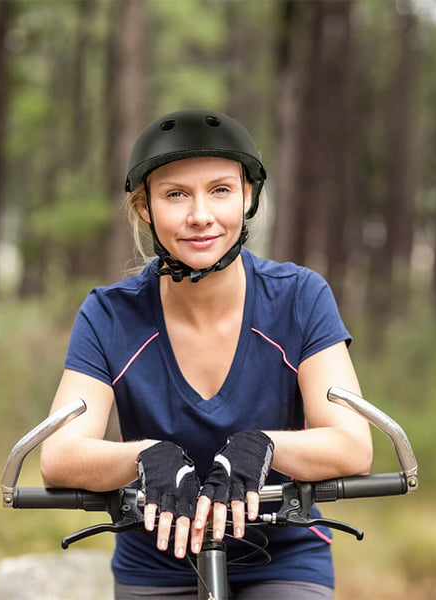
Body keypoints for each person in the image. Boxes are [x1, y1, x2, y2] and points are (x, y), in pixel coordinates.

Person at [40, 109, 373, 600]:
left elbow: (352, 445)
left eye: (220, 189)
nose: (200, 215)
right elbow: (60, 455)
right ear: (145, 208)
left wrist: (263, 446)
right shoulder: (108, 314)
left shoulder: (301, 297)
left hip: (283, 555)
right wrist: (146, 456)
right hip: (155, 562)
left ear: (249, 197)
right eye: (176, 194)